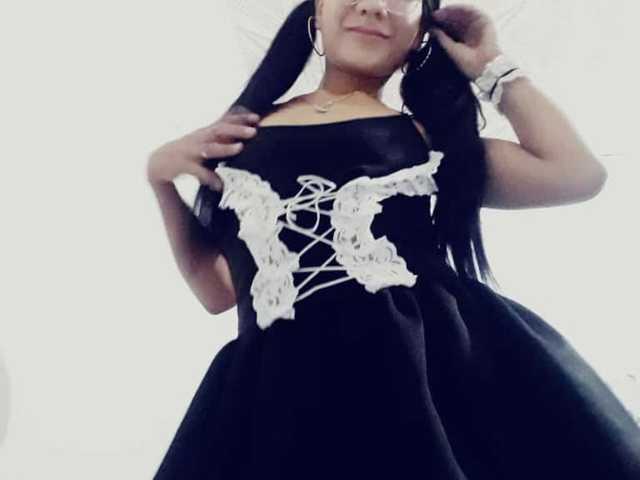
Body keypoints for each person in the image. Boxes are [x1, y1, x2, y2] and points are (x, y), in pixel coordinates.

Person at [146, 0, 640, 478]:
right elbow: (219, 291)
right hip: (277, 393)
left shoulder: (428, 142)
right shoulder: (237, 139)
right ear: (317, 11)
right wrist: (161, 181)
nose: (373, 5)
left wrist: (491, 66)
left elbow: (576, 174)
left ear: (423, 31)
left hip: (413, 378)